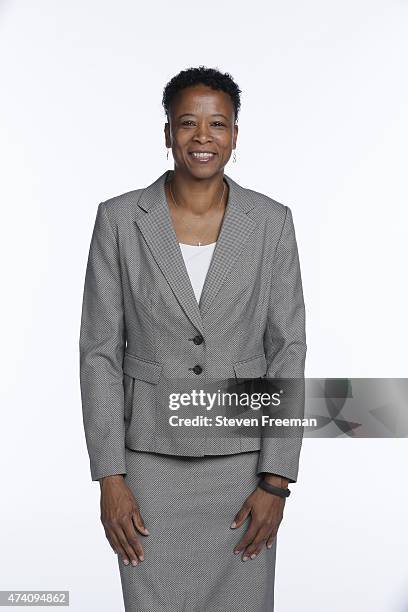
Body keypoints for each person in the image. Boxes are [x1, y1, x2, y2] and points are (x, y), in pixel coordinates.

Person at [79, 66, 307, 612]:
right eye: (187, 123)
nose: (203, 137)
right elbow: (100, 354)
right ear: (167, 134)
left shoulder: (272, 222)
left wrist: (276, 481)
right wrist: (109, 477)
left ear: (234, 134)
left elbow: (288, 350)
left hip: (243, 468)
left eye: (218, 124)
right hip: (147, 469)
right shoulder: (118, 220)